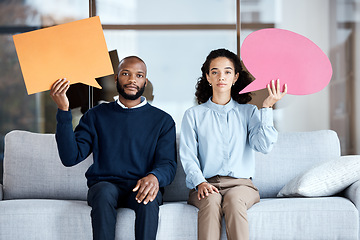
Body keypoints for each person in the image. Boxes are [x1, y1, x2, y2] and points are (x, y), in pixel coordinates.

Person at [50, 56, 177, 240]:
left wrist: (155, 177)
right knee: (103, 192)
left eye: (139, 75)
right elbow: (70, 157)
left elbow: (168, 164)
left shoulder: (163, 121)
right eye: (126, 74)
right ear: (116, 78)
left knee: (149, 199)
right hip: (105, 185)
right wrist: (63, 110)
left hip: (141, 185)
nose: (132, 80)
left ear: (145, 81)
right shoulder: (95, 116)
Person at [179, 48, 287, 240]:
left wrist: (267, 107)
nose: (222, 77)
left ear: (235, 77)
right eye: (215, 72)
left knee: (234, 200)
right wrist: (200, 182)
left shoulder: (249, 113)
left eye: (228, 71)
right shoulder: (193, 115)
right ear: (208, 77)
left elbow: (264, 146)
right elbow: (188, 155)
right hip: (205, 184)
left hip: (242, 186)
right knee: (211, 201)